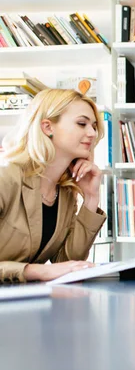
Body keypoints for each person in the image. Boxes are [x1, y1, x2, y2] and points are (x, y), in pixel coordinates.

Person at [0, 89, 107, 282]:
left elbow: (67, 262)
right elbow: (49, 271)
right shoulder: (5, 176)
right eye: (81, 124)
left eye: (93, 126)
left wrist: (91, 198)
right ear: (47, 127)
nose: (92, 133)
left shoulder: (65, 191)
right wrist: (36, 271)